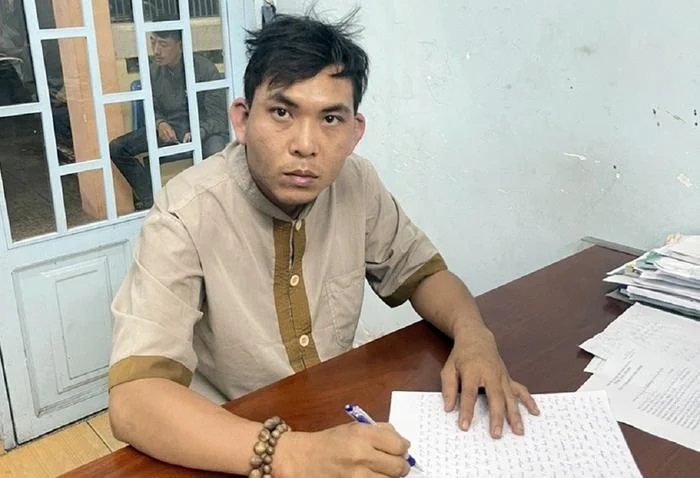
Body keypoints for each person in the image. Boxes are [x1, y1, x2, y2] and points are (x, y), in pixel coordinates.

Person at [108, 11, 539, 478]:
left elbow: (424, 274)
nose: (305, 145)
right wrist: (295, 455)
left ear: (355, 132)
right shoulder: (183, 212)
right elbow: (134, 401)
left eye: (330, 118)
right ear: (242, 120)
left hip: (336, 412)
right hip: (229, 442)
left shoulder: (357, 183)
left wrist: (475, 337)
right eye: (282, 112)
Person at [109, 30, 228, 210]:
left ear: (180, 45)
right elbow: (152, 107)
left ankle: (214, 207)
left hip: (205, 130)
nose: (156, 50)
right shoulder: (153, 71)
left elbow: (218, 117)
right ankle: (153, 202)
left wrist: (199, 130)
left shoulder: (204, 69)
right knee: (117, 148)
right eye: (153, 42)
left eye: (163, 44)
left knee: (216, 154)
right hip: (171, 128)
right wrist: (160, 123)